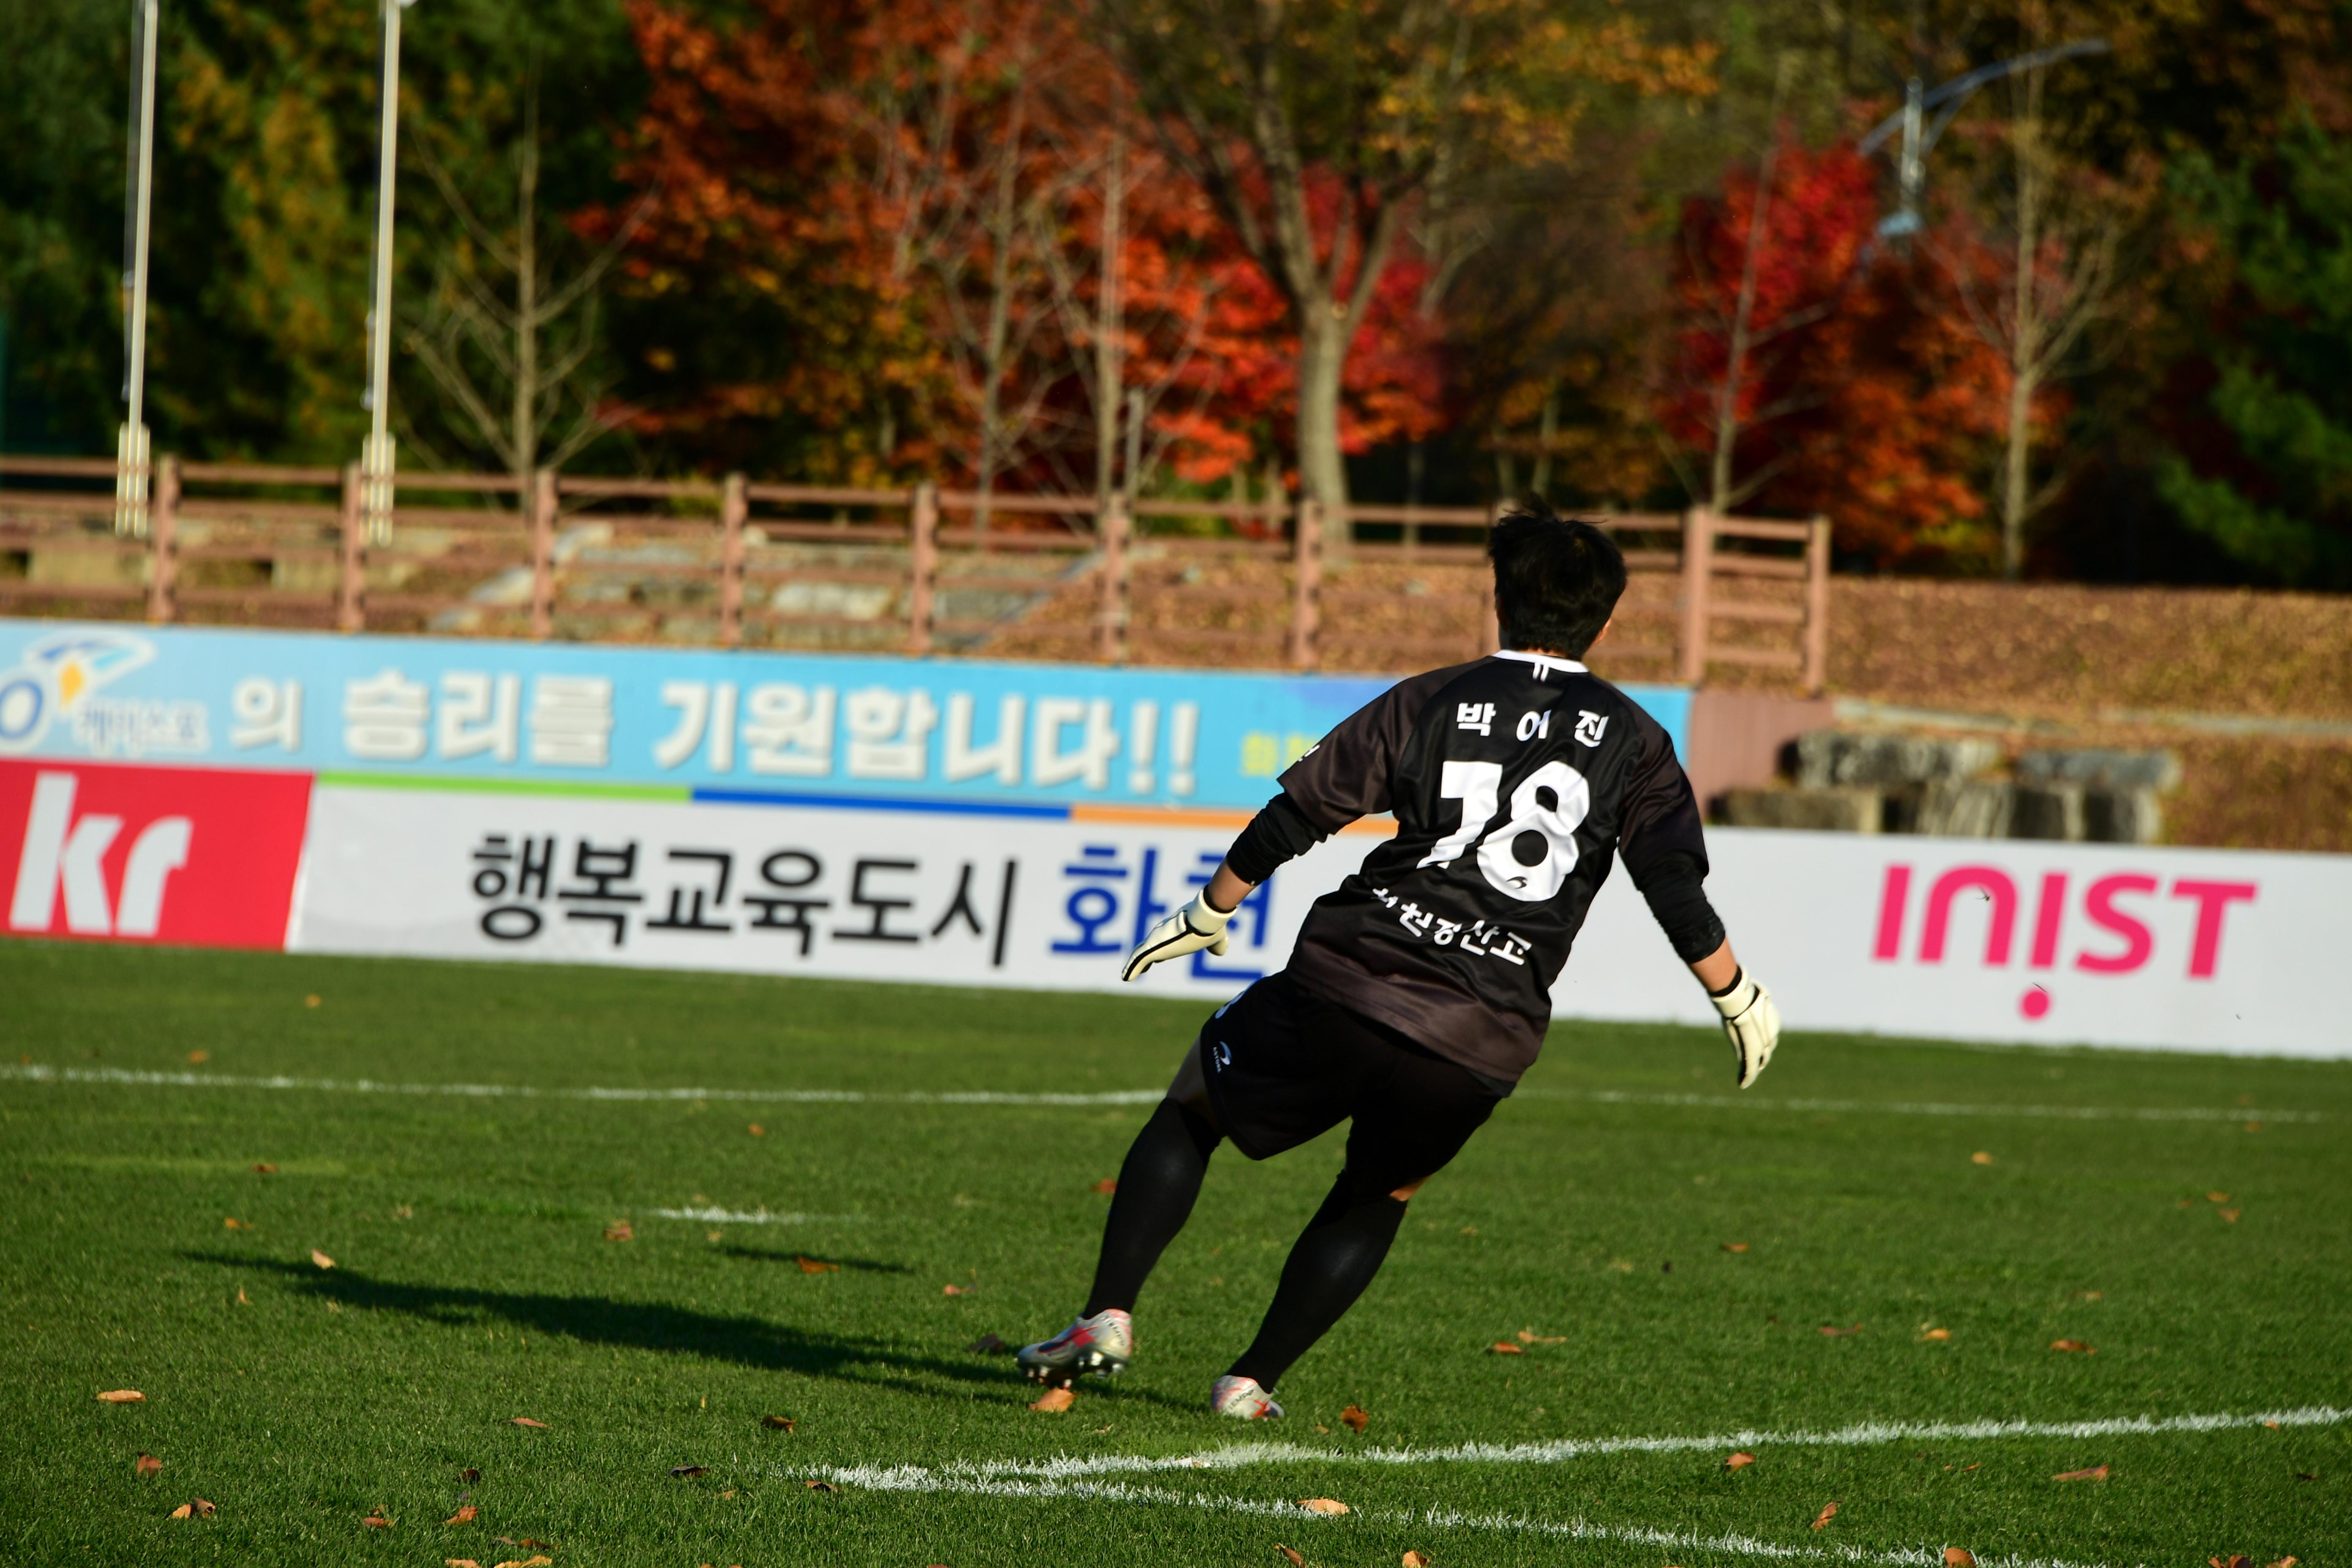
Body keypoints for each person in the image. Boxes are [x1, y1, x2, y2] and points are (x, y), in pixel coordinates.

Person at [1015, 503, 1782, 1419]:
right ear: (1607, 621)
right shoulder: (1639, 740)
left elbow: (1301, 814)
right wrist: (1734, 993)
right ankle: (1250, 1381)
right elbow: (1671, 881)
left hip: (1351, 976)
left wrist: (1210, 908)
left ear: (1498, 602)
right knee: (1383, 1187)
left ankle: (1107, 1312)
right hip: (1482, 1032)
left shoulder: (1433, 697)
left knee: (1193, 1107)